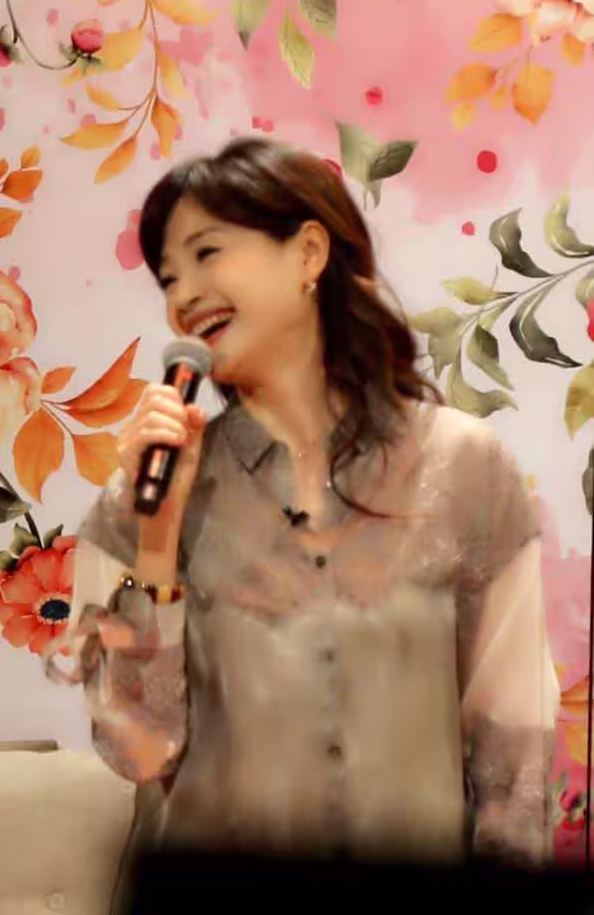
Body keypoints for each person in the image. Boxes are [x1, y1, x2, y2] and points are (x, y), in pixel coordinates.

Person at [46, 137, 559, 903]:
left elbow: (513, 750)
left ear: (309, 253)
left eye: (207, 253)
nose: (183, 294)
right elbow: (136, 750)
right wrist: (156, 538)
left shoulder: (465, 468)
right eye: (168, 276)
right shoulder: (140, 496)